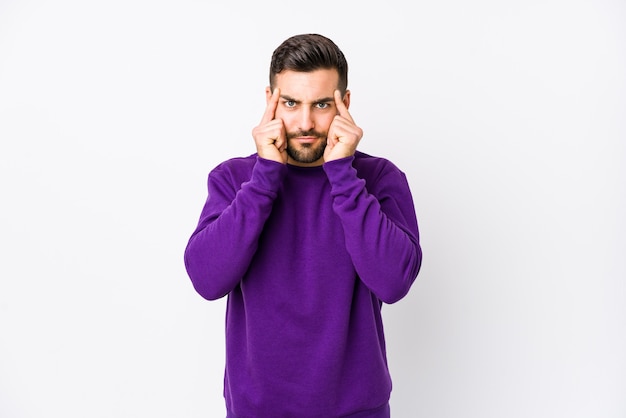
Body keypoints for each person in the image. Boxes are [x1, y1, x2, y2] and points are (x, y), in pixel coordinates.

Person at [184, 33, 422, 418]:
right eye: (291, 103)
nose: (306, 122)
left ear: (345, 104)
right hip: (256, 410)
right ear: (270, 101)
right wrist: (264, 177)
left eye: (322, 104)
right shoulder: (234, 179)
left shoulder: (378, 179)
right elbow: (207, 280)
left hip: (356, 410)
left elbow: (393, 283)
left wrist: (342, 174)